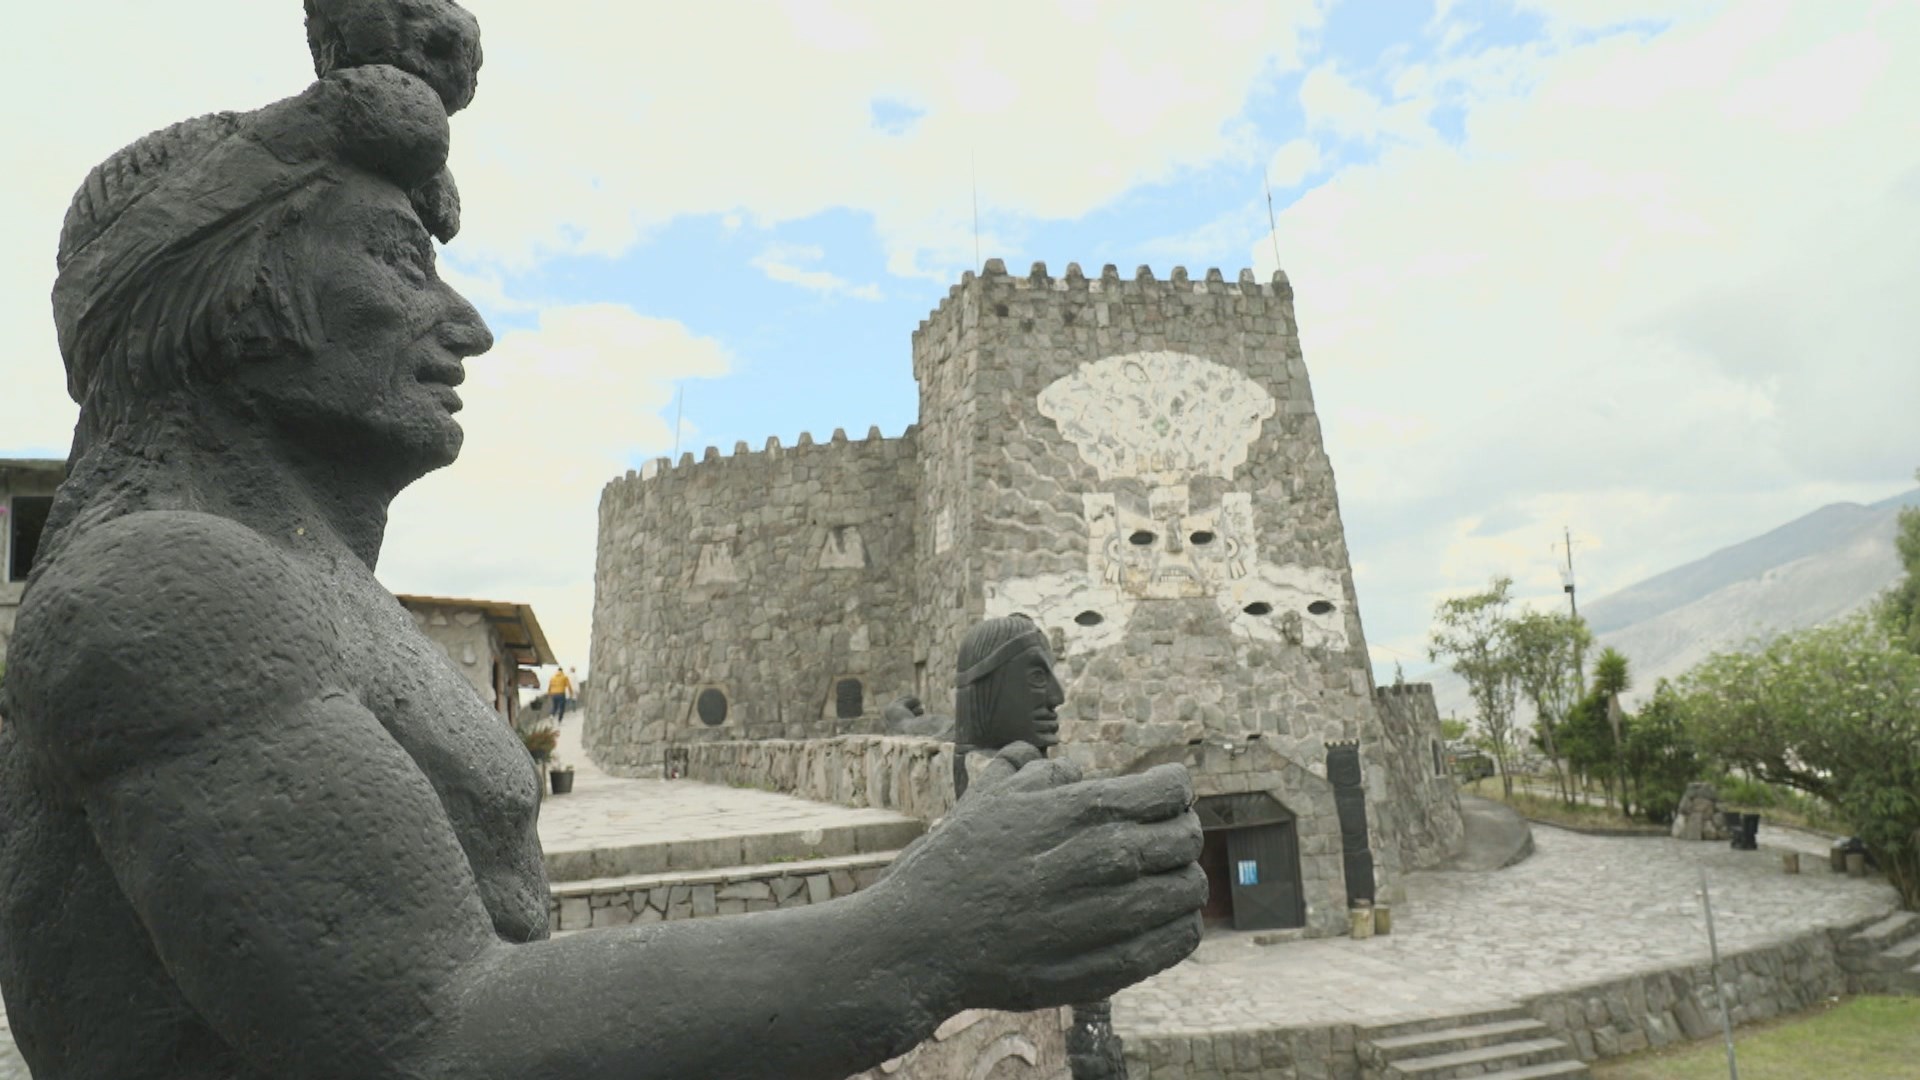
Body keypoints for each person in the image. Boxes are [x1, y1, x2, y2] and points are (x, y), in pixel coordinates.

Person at [0, 8, 1206, 1078]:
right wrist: (926, 934)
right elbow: (429, 1034)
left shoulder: (289, 587)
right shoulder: (158, 588)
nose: (463, 324)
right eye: (395, 263)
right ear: (228, 297)